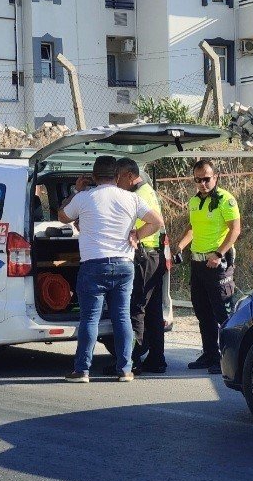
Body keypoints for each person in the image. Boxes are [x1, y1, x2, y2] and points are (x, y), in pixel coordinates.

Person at [59, 155, 164, 383]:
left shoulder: (84, 198)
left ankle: (82, 371)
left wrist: (76, 191)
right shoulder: (130, 198)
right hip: (124, 265)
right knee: (122, 317)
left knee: (90, 319)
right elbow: (157, 222)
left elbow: (62, 216)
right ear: (117, 177)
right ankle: (125, 369)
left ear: (94, 177)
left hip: (93, 265)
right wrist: (137, 234)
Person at [173, 158, 240, 375]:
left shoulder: (225, 200)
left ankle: (228, 358)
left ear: (216, 177)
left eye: (207, 179)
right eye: (198, 180)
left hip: (217, 264)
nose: (203, 183)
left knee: (223, 313)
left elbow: (234, 230)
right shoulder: (194, 201)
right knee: (202, 311)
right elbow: (192, 227)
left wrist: (218, 253)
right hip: (197, 262)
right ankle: (210, 354)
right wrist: (180, 246)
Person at [115, 157, 168, 375]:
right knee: (153, 311)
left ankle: (131, 362)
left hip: (144, 256)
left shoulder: (137, 195)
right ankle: (156, 360)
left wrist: (137, 235)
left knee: (137, 309)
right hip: (154, 256)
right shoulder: (147, 190)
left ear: (129, 175)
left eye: (118, 177)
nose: (116, 182)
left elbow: (157, 223)